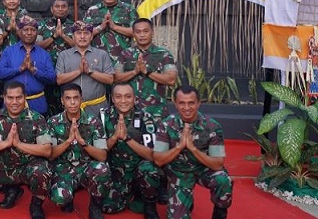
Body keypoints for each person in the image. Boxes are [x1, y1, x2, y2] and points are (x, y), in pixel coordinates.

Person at [153, 85, 233, 219]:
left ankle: (220, 212)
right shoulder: (166, 125)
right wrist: (179, 147)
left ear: (199, 103)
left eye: (191, 103)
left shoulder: (212, 126)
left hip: (203, 170)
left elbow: (218, 164)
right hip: (178, 172)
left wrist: (193, 148)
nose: (187, 108)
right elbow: (158, 159)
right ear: (175, 104)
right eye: (182, 103)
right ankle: (186, 200)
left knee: (223, 179)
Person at [0, 81, 52, 219]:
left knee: (43, 172)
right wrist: (7, 143)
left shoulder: (37, 118)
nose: (15, 102)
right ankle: (10, 189)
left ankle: (36, 204)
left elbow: (47, 150)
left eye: (19, 97)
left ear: (25, 97)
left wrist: (18, 144)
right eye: (10, 98)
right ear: (4, 98)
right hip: (4, 168)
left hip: (28, 167)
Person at [48, 83, 110, 219]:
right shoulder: (53, 122)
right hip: (63, 170)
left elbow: (102, 156)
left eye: (76, 98)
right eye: (68, 98)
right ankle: (68, 195)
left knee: (102, 169)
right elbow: (50, 155)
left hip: (86, 168)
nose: (72, 102)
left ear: (81, 99)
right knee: (60, 198)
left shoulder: (94, 122)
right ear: (62, 101)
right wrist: (68, 141)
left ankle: (95, 207)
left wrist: (83, 142)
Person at [101, 83, 160, 218]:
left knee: (150, 168)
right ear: (112, 99)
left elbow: (152, 156)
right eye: (118, 97)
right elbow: (99, 153)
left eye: (128, 97)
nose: (123, 101)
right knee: (109, 208)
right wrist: (115, 137)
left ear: (134, 98)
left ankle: (148, 203)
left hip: (138, 171)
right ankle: (124, 194)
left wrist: (127, 139)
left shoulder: (146, 118)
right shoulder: (104, 117)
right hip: (115, 171)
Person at [115, 18, 177, 120]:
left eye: (145, 31)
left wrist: (147, 72)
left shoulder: (164, 54)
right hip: (130, 112)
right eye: (138, 32)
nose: (142, 35)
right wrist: (135, 71)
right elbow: (116, 78)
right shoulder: (125, 54)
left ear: (152, 32)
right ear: (133, 34)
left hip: (156, 112)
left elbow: (171, 79)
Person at [0, 15, 56, 115]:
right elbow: (0, 73)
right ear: (19, 32)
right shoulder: (9, 51)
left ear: (37, 33)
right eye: (26, 30)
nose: (29, 33)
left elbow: (52, 78)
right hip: (12, 104)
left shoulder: (44, 54)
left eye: (32, 30)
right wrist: (20, 68)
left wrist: (34, 71)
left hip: (37, 104)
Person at [55, 21, 115, 115]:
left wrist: (90, 71)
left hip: (97, 107)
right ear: (73, 36)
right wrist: (79, 71)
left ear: (91, 36)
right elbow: (59, 80)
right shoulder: (64, 55)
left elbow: (110, 79)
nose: (82, 37)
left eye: (86, 33)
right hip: (72, 107)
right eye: (79, 33)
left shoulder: (102, 54)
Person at [84, 0, 137, 64]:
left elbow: (136, 32)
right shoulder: (92, 10)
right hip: (97, 60)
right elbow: (84, 34)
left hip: (122, 60)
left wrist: (114, 27)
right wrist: (100, 27)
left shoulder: (129, 9)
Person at [37, 0, 74, 114]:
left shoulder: (74, 27)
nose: (60, 9)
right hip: (48, 71)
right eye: (57, 6)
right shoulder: (42, 26)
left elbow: (78, 46)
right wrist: (53, 37)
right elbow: (37, 46)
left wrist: (63, 35)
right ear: (52, 10)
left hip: (68, 72)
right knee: (48, 105)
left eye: (63, 6)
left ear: (68, 9)